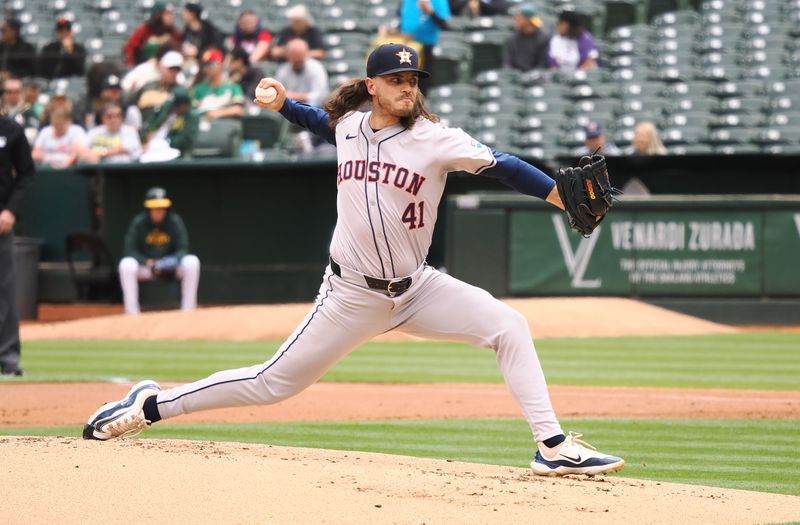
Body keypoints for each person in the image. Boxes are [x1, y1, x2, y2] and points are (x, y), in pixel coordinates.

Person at [82, 43, 625, 479]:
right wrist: (281, 105)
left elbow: (503, 165)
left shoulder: (436, 140)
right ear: (373, 87)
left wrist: (557, 193)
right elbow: (320, 121)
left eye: (413, 80)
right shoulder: (348, 128)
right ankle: (151, 405)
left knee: (509, 325)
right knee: (274, 383)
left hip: (417, 290)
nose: (408, 87)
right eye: (396, 80)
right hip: (349, 295)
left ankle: (551, 447)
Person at [117, 187, 200, 315]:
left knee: (192, 262)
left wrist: (168, 262)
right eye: (155, 208)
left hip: (169, 266)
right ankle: (132, 313)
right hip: (147, 268)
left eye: (162, 208)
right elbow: (130, 250)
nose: (159, 212)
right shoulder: (139, 223)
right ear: (149, 209)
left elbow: (183, 249)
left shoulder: (174, 221)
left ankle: (188, 311)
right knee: (126, 264)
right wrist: (147, 261)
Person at [0, 115, 35, 376]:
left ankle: (8, 357)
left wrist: (11, 210)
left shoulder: (11, 129)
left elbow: (26, 172)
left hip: (1, 221)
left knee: (6, 289)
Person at [399, 0, 450, 94]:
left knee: (421, 84)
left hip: (426, 46)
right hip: (406, 46)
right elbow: (401, 20)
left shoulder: (438, 1)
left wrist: (430, 11)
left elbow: (445, 24)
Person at [140, 86, 198, 161]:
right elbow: (147, 127)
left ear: (185, 105)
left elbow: (186, 139)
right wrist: (145, 141)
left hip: (171, 150)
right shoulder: (163, 110)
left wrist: (167, 143)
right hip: (150, 147)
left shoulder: (191, 117)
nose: (173, 108)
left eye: (177, 106)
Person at [130, 50, 185, 127]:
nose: (173, 73)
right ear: (161, 67)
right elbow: (132, 106)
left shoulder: (181, 91)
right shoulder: (148, 87)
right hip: (143, 128)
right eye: (170, 69)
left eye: (176, 70)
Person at [190, 48, 244, 120]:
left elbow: (238, 110)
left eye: (210, 65)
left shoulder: (233, 87)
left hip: (224, 126)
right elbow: (192, 111)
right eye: (205, 66)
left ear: (220, 65)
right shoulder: (198, 89)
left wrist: (215, 113)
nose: (207, 69)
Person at [273, 39, 328, 108]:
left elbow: (320, 96)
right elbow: (277, 94)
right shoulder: (283, 70)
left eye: (300, 59)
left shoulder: (316, 67)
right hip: (289, 108)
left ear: (306, 54)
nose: (298, 61)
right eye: (295, 59)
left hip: (312, 109)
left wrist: (296, 96)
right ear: (288, 56)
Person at [506, 4, 550, 72]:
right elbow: (508, 63)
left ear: (527, 20)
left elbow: (543, 65)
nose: (515, 19)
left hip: (536, 78)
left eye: (518, 17)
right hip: (515, 77)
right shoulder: (512, 38)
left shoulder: (543, 37)